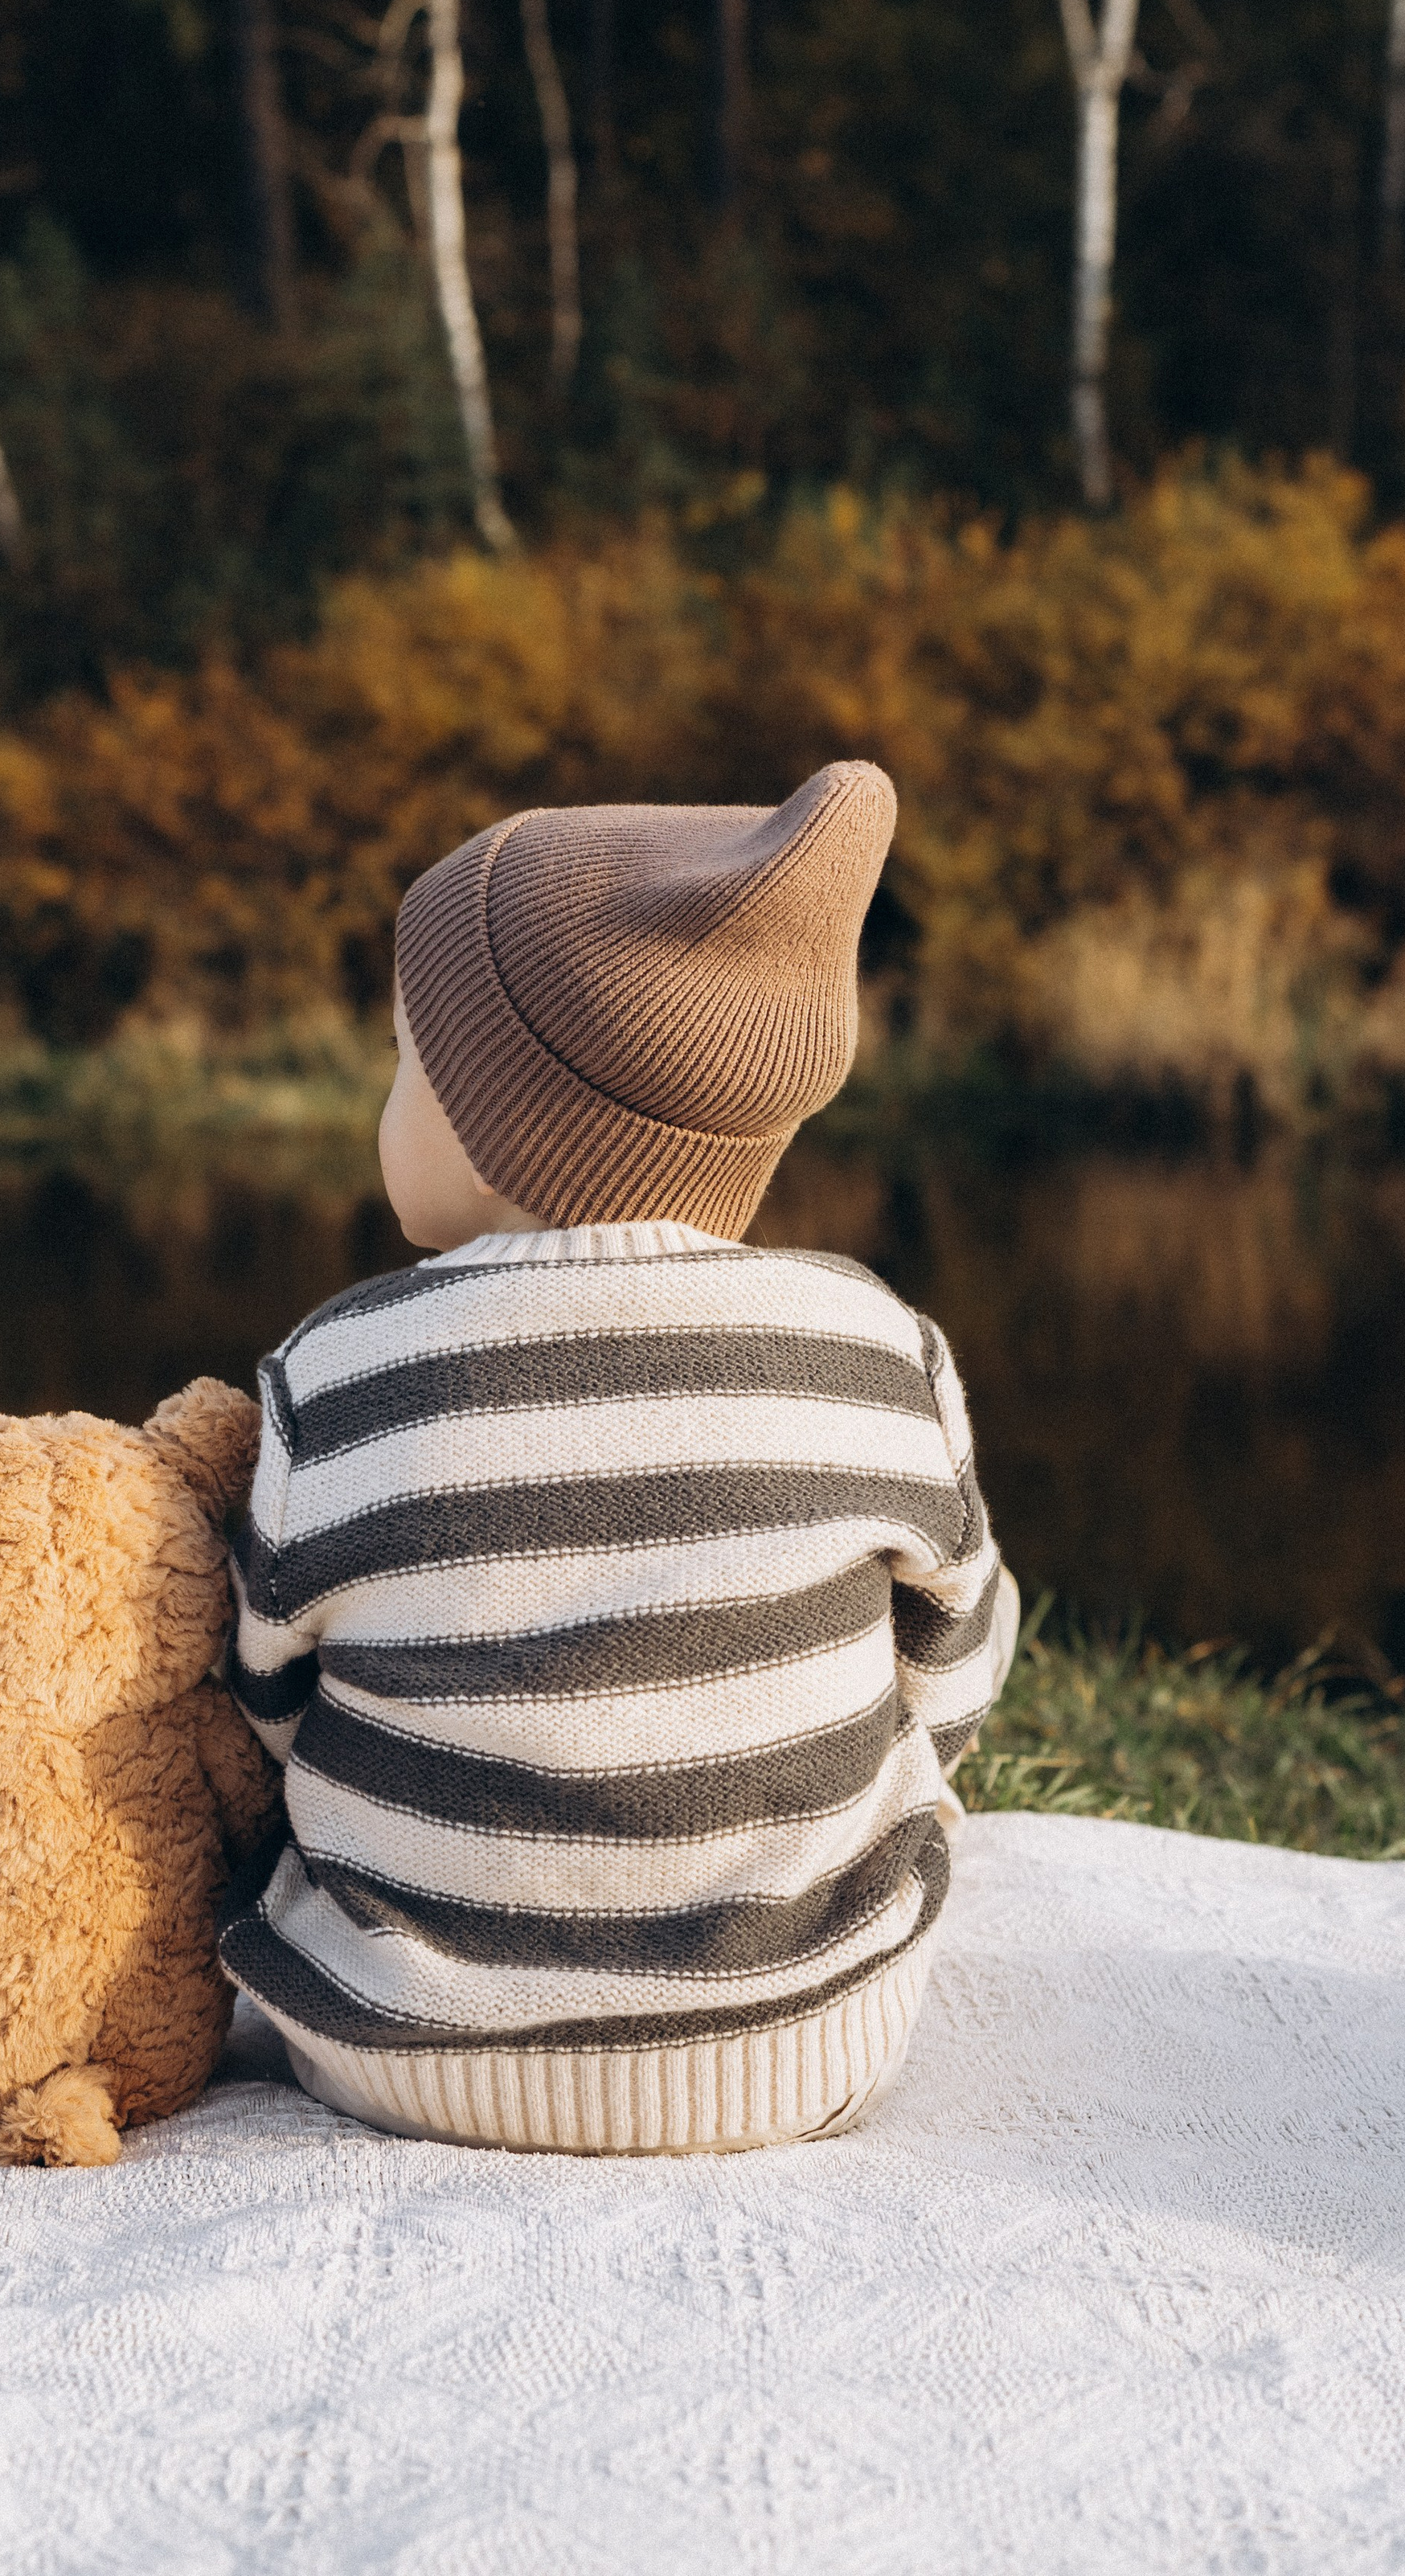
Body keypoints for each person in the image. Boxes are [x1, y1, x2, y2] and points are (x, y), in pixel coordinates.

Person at [219, 764, 1019, 2153]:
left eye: (411, 1058)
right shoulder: (877, 1348)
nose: (389, 1097)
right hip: (810, 2036)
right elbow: (953, 1668)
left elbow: (272, 1701)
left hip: (405, 2057)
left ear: (501, 1114)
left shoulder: (335, 1374)